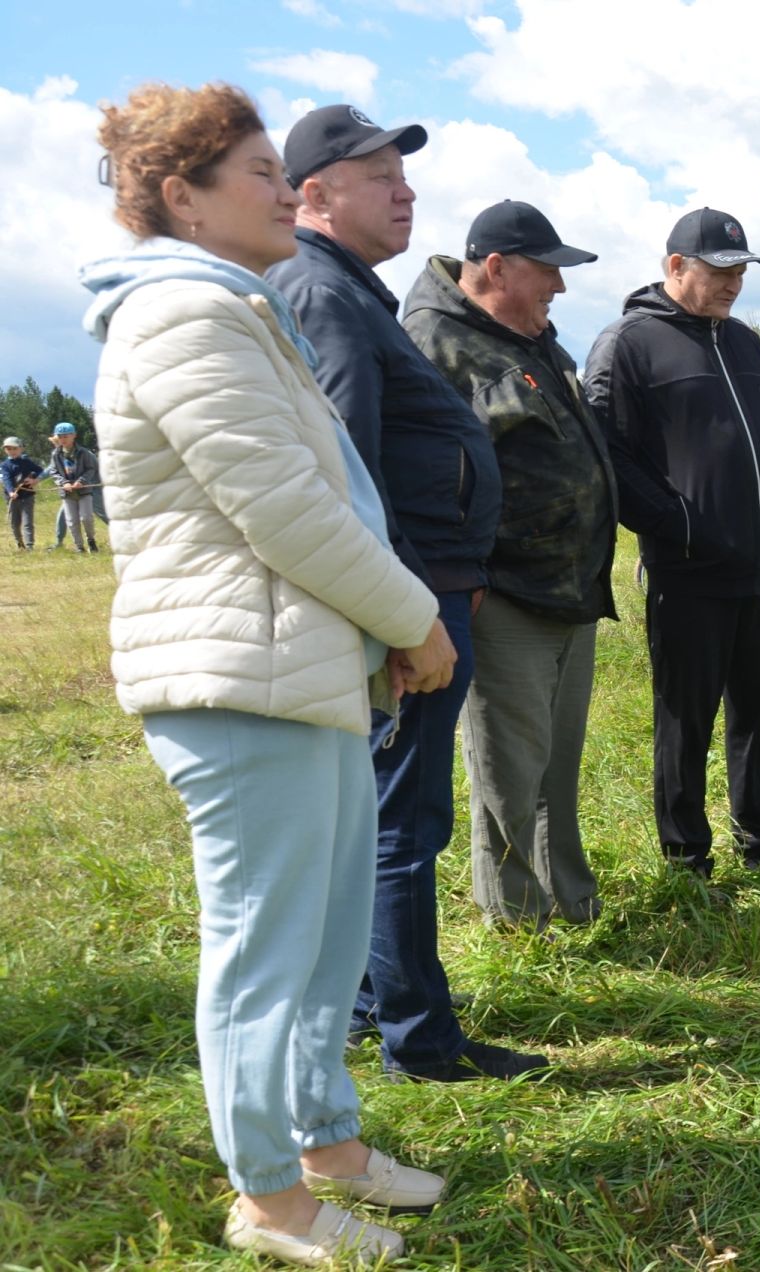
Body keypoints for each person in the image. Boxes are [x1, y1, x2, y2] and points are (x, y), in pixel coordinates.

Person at [82, 81, 454, 1264]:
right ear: (181, 198)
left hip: (294, 668)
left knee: (327, 937)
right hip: (238, 677)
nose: (283, 189)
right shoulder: (182, 318)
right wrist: (415, 616)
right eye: (256, 170)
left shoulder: (233, 308)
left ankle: (327, 1149)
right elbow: (286, 511)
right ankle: (270, 1201)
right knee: (263, 949)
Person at [268, 105, 540, 1083]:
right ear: (313, 193)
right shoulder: (328, 295)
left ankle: (377, 1005)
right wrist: (404, 613)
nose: (405, 188)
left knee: (388, 816)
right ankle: (421, 1044)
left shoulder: (350, 291)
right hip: (410, 607)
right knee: (403, 821)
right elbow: (346, 471)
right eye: (377, 172)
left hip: (423, 593)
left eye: (405, 172)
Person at [402, 199, 615, 925]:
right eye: (547, 270)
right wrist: (460, 578)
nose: (559, 286)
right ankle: (519, 921)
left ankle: (572, 902)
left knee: (556, 765)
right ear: (495, 267)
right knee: (507, 770)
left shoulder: (536, 340)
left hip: (568, 588)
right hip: (503, 593)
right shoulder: (431, 342)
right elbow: (420, 475)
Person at [586, 207, 760, 877]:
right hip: (689, 575)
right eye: (720, 269)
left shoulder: (741, 342)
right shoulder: (628, 343)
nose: (734, 282)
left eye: (741, 270)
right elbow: (607, 454)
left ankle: (757, 842)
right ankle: (687, 858)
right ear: (676, 267)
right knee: (685, 722)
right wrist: (677, 523)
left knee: (754, 718)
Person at [46, 423, 101, 553]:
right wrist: (63, 483)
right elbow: (53, 471)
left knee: (86, 517)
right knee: (71, 521)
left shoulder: (84, 452)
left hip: (84, 491)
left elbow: (91, 468)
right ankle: (79, 546)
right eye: (60, 436)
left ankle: (91, 540)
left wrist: (81, 481)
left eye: (66, 436)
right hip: (67, 493)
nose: (63, 439)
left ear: (74, 436)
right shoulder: (56, 454)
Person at [2, 437, 43, 550]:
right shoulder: (5, 465)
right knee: (14, 523)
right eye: (8, 449)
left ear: (21, 449)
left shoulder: (26, 462)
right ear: (5, 450)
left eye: (14, 448)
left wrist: (33, 478)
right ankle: (20, 543)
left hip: (27, 496)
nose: (12, 451)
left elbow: (39, 469)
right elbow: (7, 479)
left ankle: (30, 545)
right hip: (12, 497)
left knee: (27, 522)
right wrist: (11, 492)